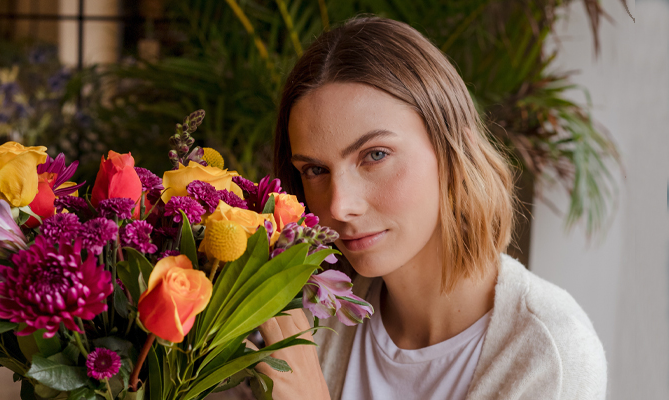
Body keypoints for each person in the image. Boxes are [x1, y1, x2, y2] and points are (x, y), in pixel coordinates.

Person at [252, 17, 607, 400]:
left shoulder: (549, 355)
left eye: (375, 155)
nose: (340, 205)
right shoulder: (305, 320)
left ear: (452, 148)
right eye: (315, 170)